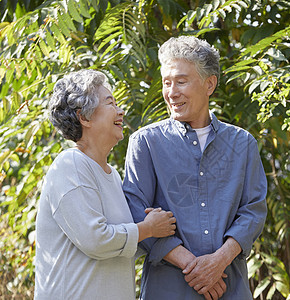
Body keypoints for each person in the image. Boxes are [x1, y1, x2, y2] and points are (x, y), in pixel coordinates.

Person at [123, 36, 267, 300]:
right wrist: (196, 268)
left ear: (209, 84)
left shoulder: (243, 144)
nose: (172, 92)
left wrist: (219, 261)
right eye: (167, 83)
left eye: (181, 81)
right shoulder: (145, 143)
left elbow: (253, 211)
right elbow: (135, 213)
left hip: (230, 289)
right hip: (166, 290)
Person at [34, 69, 176, 300]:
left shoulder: (112, 176)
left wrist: (151, 226)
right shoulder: (70, 165)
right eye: (110, 103)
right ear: (84, 117)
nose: (121, 111)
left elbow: (120, 245)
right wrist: (147, 228)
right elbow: (96, 240)